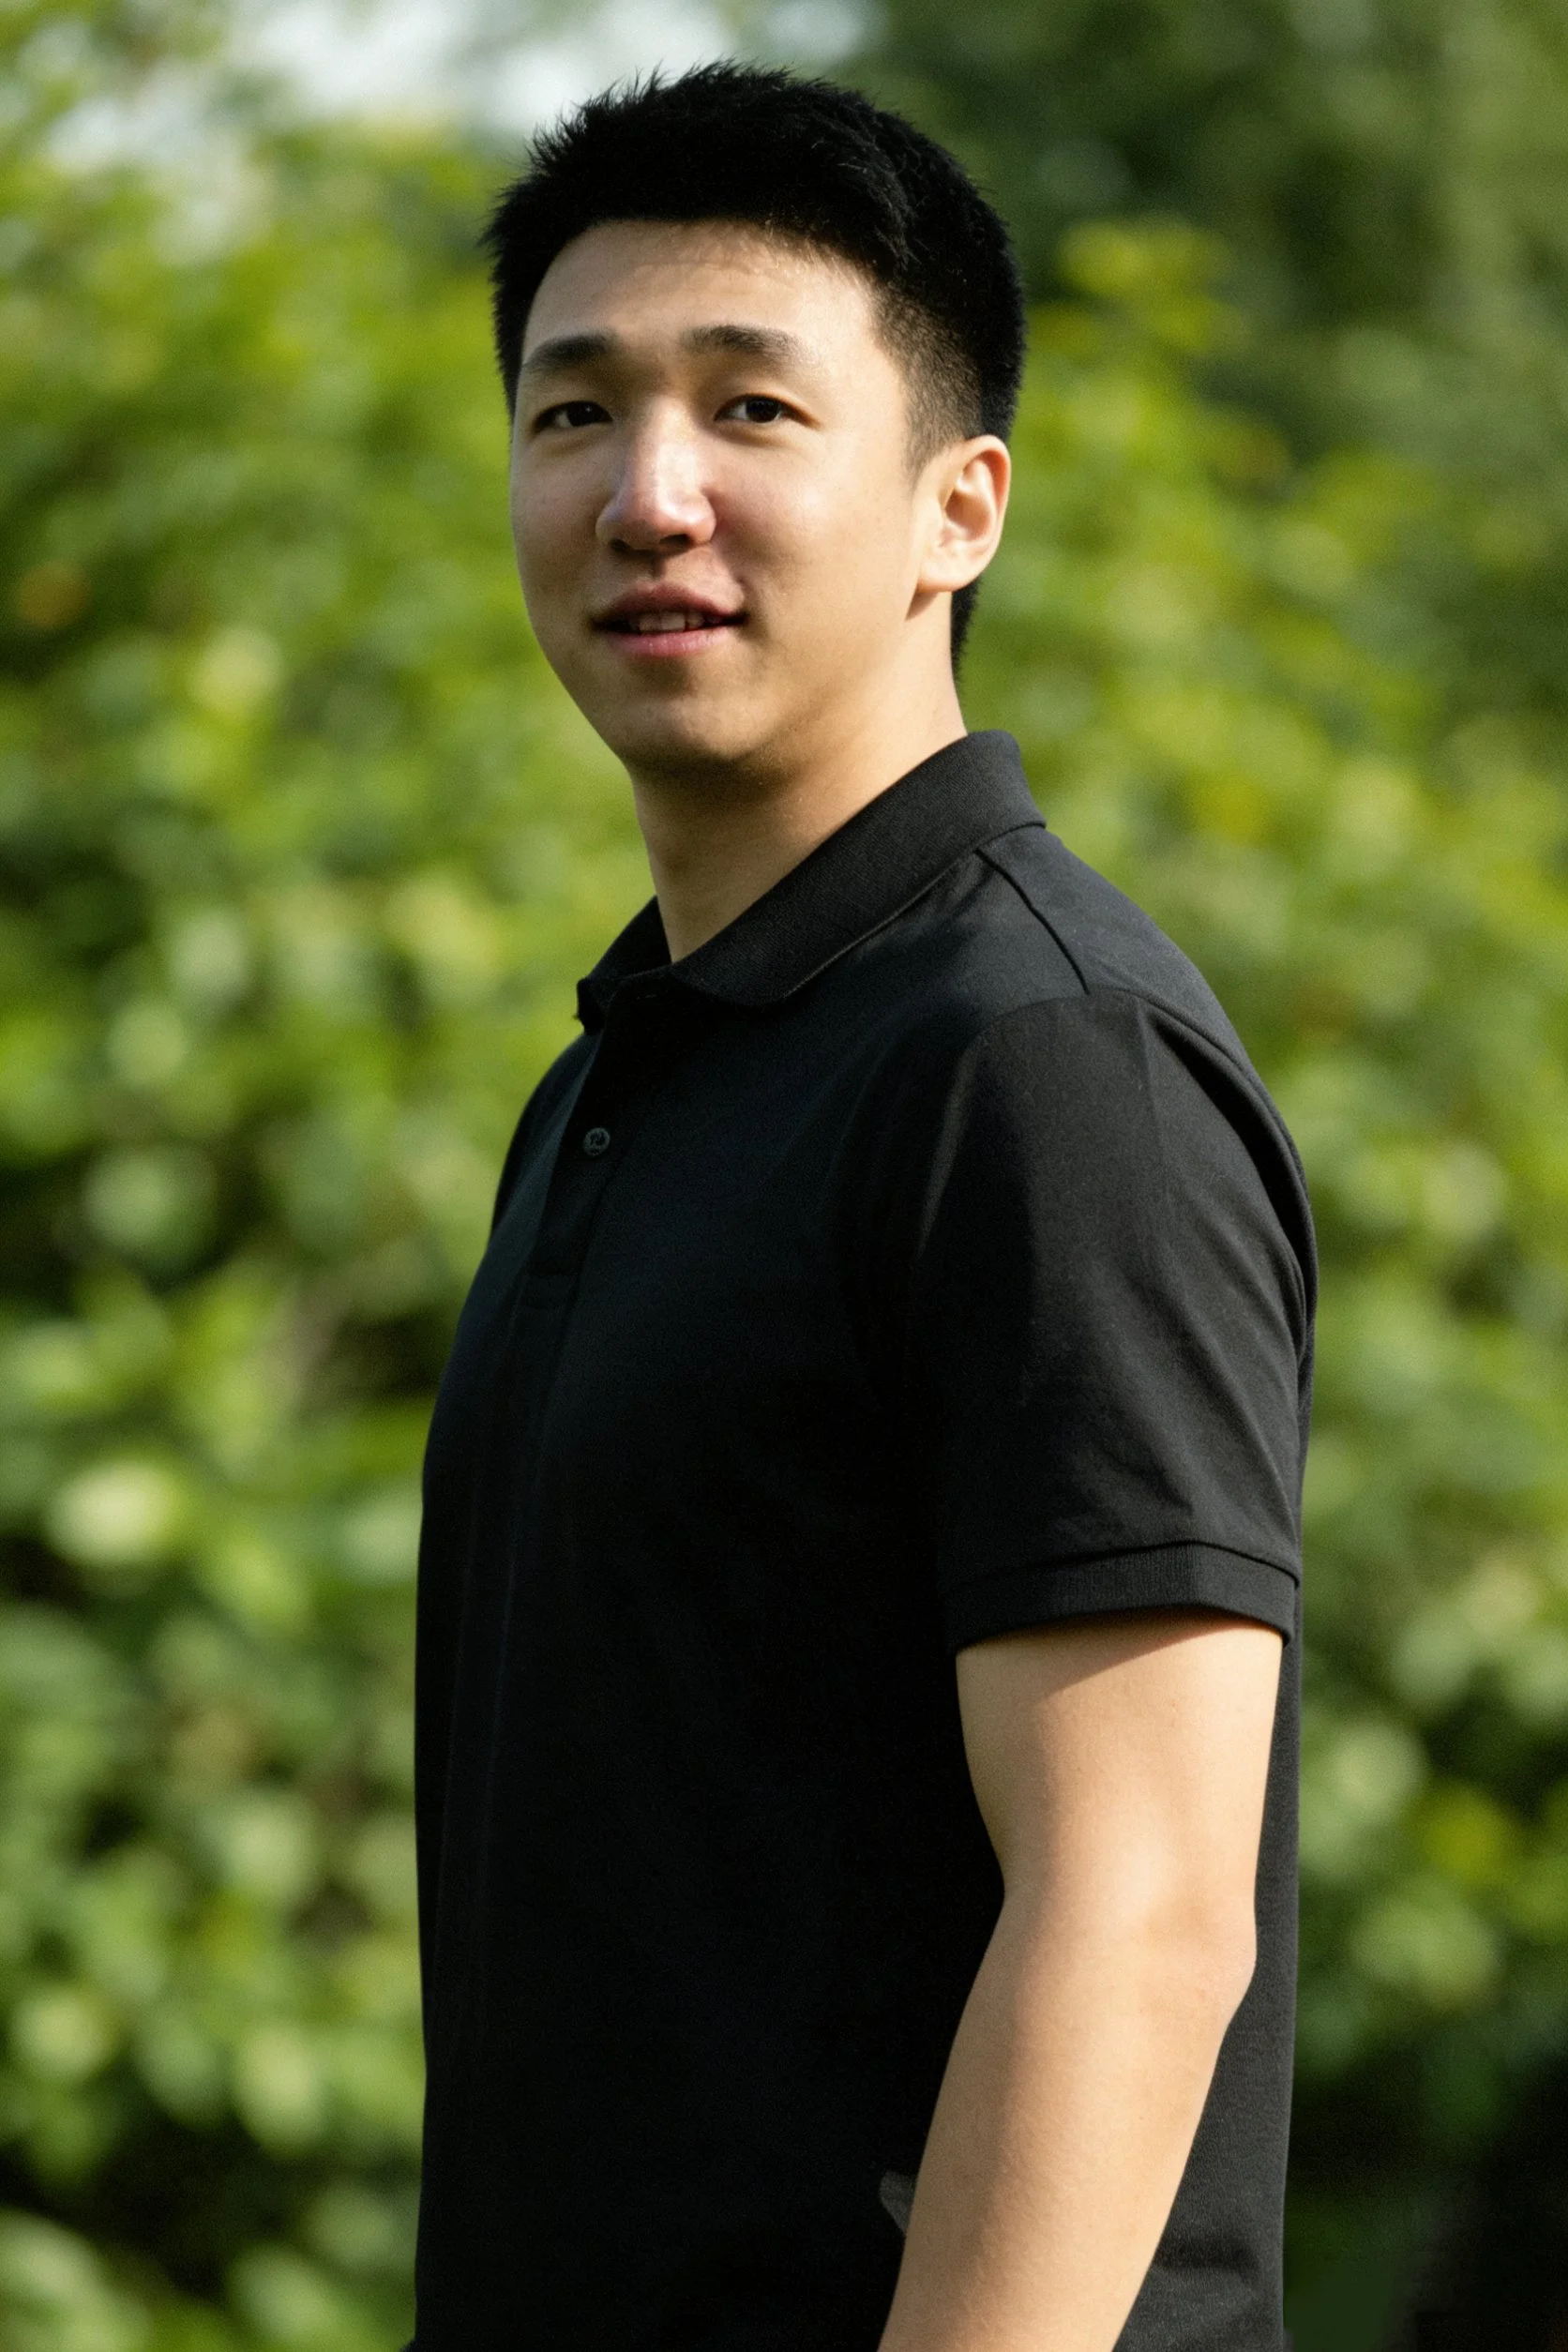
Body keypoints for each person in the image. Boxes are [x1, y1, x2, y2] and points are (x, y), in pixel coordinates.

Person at [411, 61, 1315, 2352]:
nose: (647, 493)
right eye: (572, 411)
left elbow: (1139, 1905)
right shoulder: (634, 1075)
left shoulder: (1036, 1058)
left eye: (751, 410)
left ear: (956, 509)